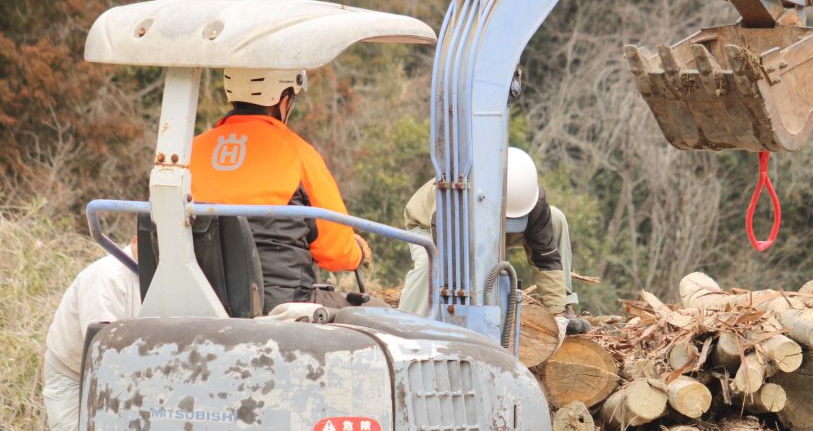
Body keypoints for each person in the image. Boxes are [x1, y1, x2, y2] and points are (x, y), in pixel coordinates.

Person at [191, 68, 370, 312]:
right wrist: (357, 251)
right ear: (283, 100)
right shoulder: (299, 155)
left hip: (202, 303)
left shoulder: (187, 153)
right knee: (383, 313)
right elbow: (336, 253)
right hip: (282, 306)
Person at [398, 147, 589, 334]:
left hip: (491, 224)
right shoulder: (457, 194)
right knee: (431, 262)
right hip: (429, 227)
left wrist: (556, 313)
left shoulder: (533, 199)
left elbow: (546, 258)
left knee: (556, 219)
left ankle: (563, 307)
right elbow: (451, 254)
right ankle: (407, 325)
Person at [43, 240, 141, 431]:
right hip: (72, 373)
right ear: (136, 239)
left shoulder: (156, 275)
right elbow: (102, 346)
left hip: (120, 376)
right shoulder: (107, 277)